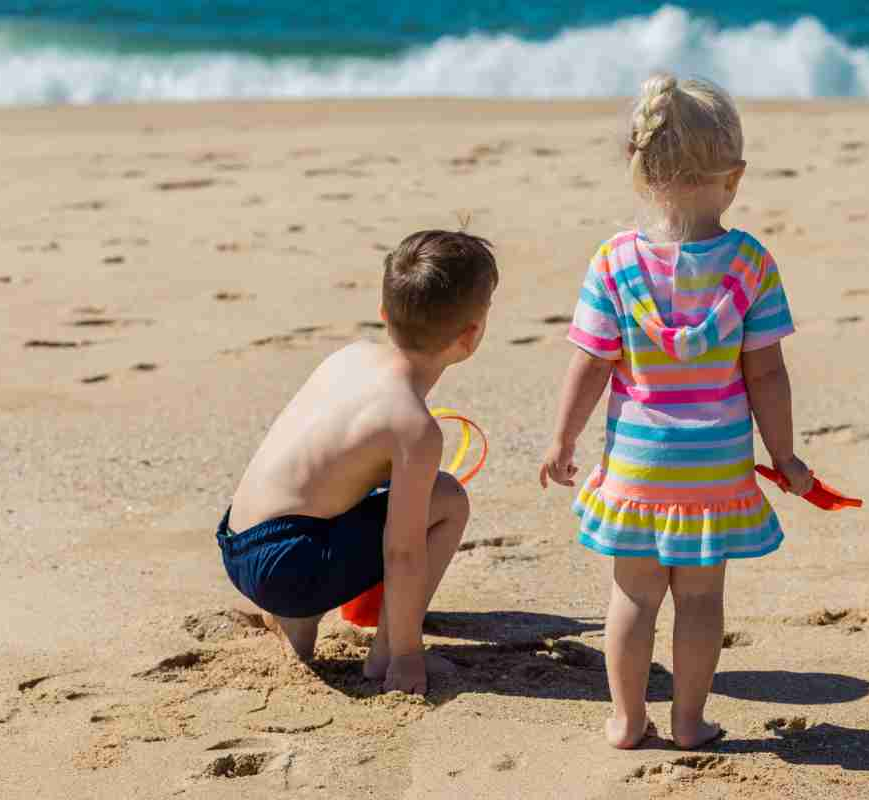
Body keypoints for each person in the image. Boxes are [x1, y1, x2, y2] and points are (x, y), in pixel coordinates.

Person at [540, 74, 814, 750]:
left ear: (639, 170)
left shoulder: (614, 263)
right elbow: (767, 375)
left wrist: (562, 440)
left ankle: (629, 721)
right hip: (714, 473)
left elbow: (590, 365)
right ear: (735, 176)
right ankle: (689, 722)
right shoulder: (749, 263)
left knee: (632, 598)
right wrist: (783, 456)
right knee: (699, 601)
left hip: (637, 468)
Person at [218, 229, 497, 695]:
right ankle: (387, 652)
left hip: (239, 542)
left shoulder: (349, 356)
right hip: (288, 566)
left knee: (359, 488)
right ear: (470, 337)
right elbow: (403, 551)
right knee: (447, 498)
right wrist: (409, 656)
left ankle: (295, 618)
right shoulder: (413, 426)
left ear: (384, 314)